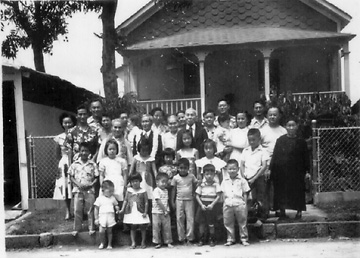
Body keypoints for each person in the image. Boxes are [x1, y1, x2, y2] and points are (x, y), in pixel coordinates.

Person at [270, 117, 310, 219]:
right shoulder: (280, 140)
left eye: (293, 125)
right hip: (282, 171)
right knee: (281, 191)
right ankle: (282, 211)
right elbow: (275, 156)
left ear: (297, 127)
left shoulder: (301, 142)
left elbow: (306, 157)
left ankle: (299, 211)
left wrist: (307, 171)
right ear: (286, 127)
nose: (291, 128)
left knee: (298, 190)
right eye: (289, 126)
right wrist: (271, 169)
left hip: (297, 172)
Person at [260, 107, 287, 214]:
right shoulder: (262, 131)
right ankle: (265, 210)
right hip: (266, 162)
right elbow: (259, 148)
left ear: (279, 116)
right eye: (270, 115)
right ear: (267, 116)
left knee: (280, 186)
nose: (272, 117)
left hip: (280, 162)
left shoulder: (283, 130)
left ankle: (281, 209)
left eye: (275, 115)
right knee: (265, 186)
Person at [68, 142, 99, 236]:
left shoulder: (92, 164)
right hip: (78, 190)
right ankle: (77, 228)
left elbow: (97, 177)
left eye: (86, 151)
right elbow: (71, 176)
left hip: (90, 190)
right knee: (77, 209)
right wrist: (77, 184)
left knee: (90, 209)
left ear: (89, 152)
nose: (84, 153)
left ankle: (91, 227)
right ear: (79, 152)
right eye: (82, 151)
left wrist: (91, 184)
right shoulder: (75, 164)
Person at [240, 128, 269, 221]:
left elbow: (264, 166)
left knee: (260, 197)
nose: (251, 142)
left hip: (258, 177)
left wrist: (255, 178)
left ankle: (262, 216)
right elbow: (242, 164)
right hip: (247, 177)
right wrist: (243, 176)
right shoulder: (246, 150)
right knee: (249, 198)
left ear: (259, 139)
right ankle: (250, 216)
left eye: (254, 140)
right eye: (250, 140)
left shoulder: (263, 151)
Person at [221, 159, 250, 246]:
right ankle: (230, 239)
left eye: (234, 169)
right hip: (228, 203)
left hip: (239, 203)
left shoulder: (242, 180)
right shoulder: (225, 181)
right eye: (230, 169)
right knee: (228, 222)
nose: (232, 171)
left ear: (238, 169)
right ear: (227, 170)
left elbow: (245, 192)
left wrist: (244, 203)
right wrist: (224, 203)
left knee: (242, 222)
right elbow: (223, 193)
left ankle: (244, 238)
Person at [53, 112, 76, 220]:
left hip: (76, 162)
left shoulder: (77, 135)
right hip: (64, 163)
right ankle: (68, 210)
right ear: (62, 124)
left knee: (76, 186)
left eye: (69, 122)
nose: (67, 125)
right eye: (65, 123)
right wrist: (62, 163)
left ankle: (78, 210)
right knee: (65, 187)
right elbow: (57, 154)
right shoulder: (59, 137)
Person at [171, 158, 198, 244]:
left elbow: (195, 185)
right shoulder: (175, 178)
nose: (183, 170)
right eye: (181, 168)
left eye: (185, 168)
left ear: (188, 168)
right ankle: (181, 239)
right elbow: (173, 190)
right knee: (179, 219)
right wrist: (172, 201)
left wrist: (194, 194)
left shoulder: (191, 176)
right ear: (178, 168)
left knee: (190, 219)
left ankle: (190, 238)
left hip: (189, 200)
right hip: (179, 200)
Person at [120, 172, 150, 249]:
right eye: (133, 182)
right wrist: (122, 209)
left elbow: (146, 202)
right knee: (133, 227)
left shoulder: (143, 191)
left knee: (142, 227)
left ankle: (143, 242)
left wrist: (145, 212)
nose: (135, 183)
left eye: (136, 181)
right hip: (131, 211)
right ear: (130, 182)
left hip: (141, 211)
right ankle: (133, 242)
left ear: (140, 181)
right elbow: (126, 200)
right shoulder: (129, 190)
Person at [195, 164, 221, 247]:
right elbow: (197, 196)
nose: (209, 176)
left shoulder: (216, 185)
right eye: (207, 174)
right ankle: (201, 239)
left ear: (214, 175)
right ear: (203, 175)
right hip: (202, 205)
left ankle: (212, 239)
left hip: (212, 206)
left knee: (211, 223)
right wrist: (201, 205)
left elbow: (218, 196)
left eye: (211, 174)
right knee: (201, 223)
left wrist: (212, 204)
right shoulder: (201, 185)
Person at [130, 138, 157, 212]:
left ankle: (147, 213)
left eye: (146, 150)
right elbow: (131, 170)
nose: (144, 152)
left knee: (148, 196)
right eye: (142, 150)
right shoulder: (136, 158)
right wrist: (129, 181)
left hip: (148, 180)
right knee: (138, 196)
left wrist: (157, 181)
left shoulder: (151, 159)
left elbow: (155, 171)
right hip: (138, 179)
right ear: (139, 149)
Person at [98, 139, 128, 204]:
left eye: (114, 149)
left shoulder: (121, 161)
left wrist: (125, 186)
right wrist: (102, 185)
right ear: (106, 150)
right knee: (107, 202)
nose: (112, 151)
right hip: (107, 183)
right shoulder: (103, 161)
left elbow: (125, 174)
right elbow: (101, 175)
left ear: (117, 150)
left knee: (119, 201)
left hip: (119, 183)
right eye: (110, 149)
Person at [94, 180, 120, 250]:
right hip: (102, 216)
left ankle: (109, 244)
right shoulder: (99, 199)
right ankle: (102, 243)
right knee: (101, 231)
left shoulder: (112, 198)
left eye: (112, 191)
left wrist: (117, 209)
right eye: (110, 191)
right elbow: (96, 209)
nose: (111, 193)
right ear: (103, 190)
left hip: (110, 216)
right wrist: (96, 218)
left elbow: (116, 205)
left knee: (109, 231)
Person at [152, 173, 174, 249]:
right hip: (156, 212)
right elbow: (158, 201)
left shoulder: (166, 191)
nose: (164, 184)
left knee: (167, 228)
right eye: (162, 182)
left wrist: (167, 210)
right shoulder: (156, 190)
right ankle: (157, 242)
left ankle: (168, 242)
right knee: (156, 228)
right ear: (157, 182)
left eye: (166, 182)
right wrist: (164, 210)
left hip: (165, 212)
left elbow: (166, 201)